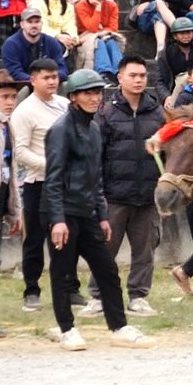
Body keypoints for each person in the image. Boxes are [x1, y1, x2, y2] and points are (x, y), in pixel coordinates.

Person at [38, 70, 155, 350]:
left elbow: (97, 175)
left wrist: (102, 215)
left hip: (88, 211)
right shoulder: (60, 130)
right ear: (74, 97)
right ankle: (66, 328)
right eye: (88, 93)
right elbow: (52, 178)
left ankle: (119, 326)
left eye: (97, 92)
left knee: (107, 269)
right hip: (63, 212)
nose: (94, 98)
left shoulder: (93, 128)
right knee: (63, 272)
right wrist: (57, 220)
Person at [93, 57, 167, 318]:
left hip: (148, 197)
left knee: (145, 250)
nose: (138, 80)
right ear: (120, 78)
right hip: (114, 196)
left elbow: (168, 155)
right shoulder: (106, 113)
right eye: (133, 75)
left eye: (143, 76)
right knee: (105, 249)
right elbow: (97, 156)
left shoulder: (157, 112)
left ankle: (138, 296)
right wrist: (99, 194)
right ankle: (99, 296)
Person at [9, 58, 72, 312]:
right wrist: (53, 166)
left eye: (55, 77)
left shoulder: (65, 105)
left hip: (66, 182)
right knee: (34, 238)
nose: (52, 82)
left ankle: (68, 288)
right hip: (38, 182)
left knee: (68, 237)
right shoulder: (24, 111)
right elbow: (21, 152)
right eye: (46, 77)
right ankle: (31, 290)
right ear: (33, 80)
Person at [1, 8, 67, 82]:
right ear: (22, 24)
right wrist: (38, 81)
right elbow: (15, 73)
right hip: (22, 85)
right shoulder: (11, 45)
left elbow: (62, 69)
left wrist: (49, 79)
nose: (34, 25)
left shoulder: (52, 42)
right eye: (30, 22)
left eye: (37, 22)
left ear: (41, 23)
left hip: (49, 82)